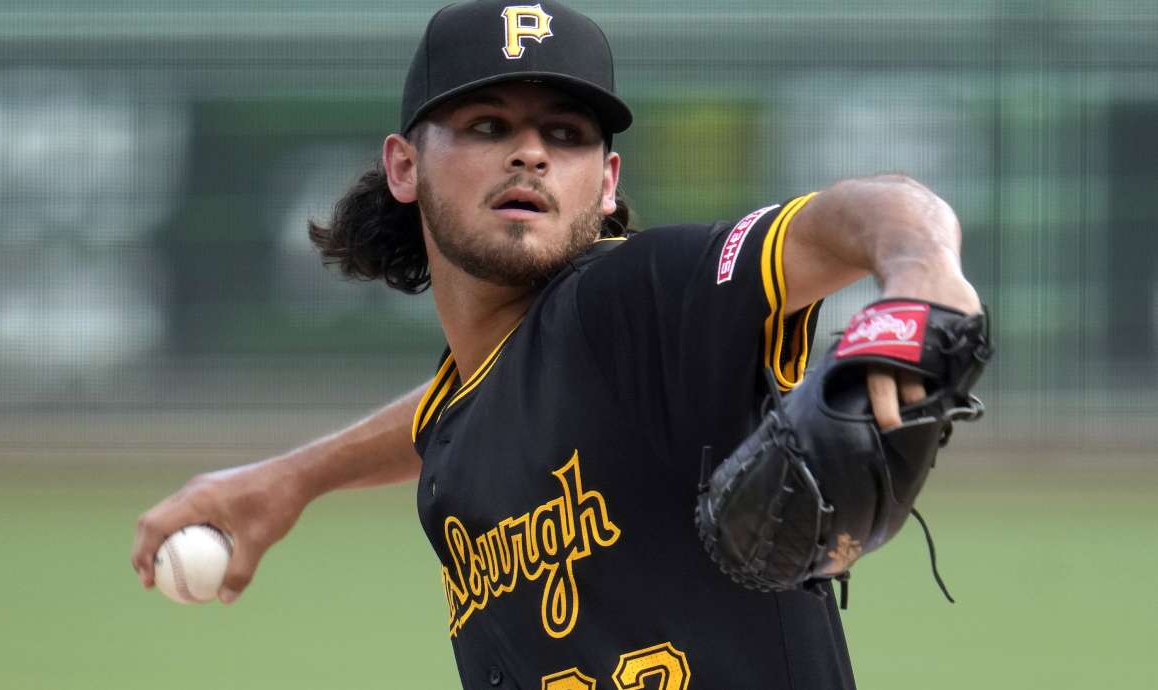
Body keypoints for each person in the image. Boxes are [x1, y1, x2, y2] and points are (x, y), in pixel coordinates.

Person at [131, 1, 981, 688]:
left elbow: (875, 205)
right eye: (486, 125)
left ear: (608, 185)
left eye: (567, 134)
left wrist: (918, 274)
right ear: (403, 168)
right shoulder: (462, 415)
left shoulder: (634, 301)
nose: (530, 152)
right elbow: (462, 415)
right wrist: (291, 478)